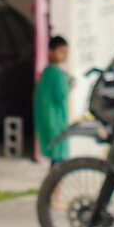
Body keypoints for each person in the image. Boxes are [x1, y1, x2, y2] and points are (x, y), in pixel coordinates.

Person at [32, 34, 72, 163]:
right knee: (59, 160)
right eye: (61, 51)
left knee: (55, 160)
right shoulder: (58, 74)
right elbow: (61, 96)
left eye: (65, 52)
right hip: (57, 122)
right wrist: (69, 84)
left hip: (46, 121)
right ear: (51, 52)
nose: (64, 55)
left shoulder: (46, 72)